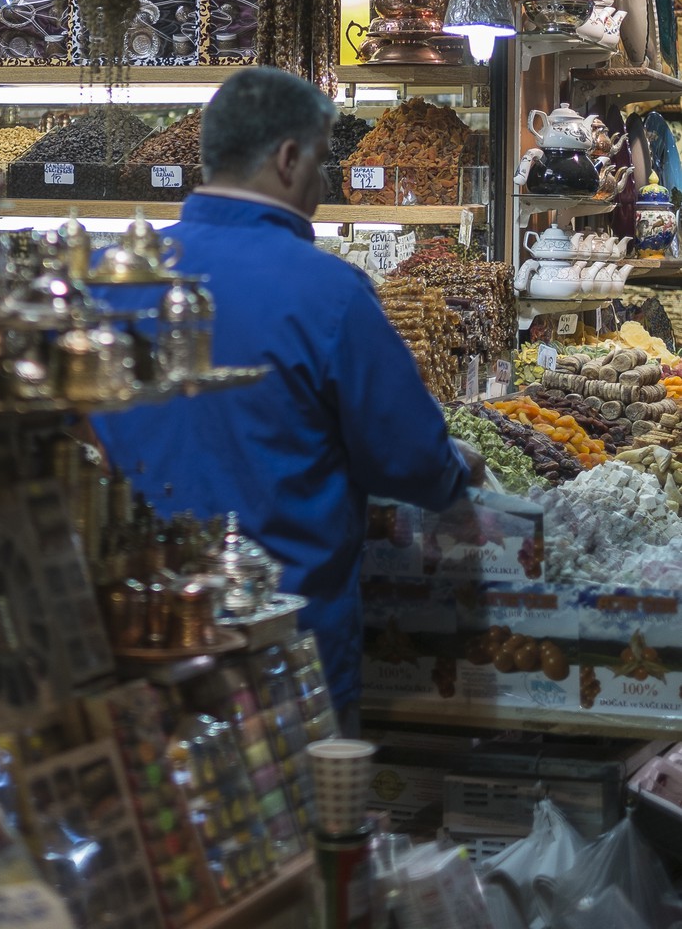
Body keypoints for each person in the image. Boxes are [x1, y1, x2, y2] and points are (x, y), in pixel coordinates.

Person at [93, 67, 484, 735]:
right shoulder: (328, 291)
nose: (324, 178)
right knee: (300, 830)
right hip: (284, 652)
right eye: (321, 157)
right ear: (286, 158)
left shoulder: (110, 278)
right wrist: (458, 467)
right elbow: (409, 458)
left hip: (138, 639)